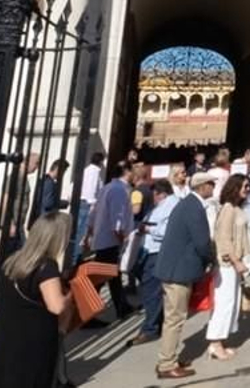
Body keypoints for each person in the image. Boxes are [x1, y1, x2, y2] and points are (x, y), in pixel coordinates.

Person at [0, 211, 73, 388]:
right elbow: (56, 307)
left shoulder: (13, 260)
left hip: (7, 335)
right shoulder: (47, 267)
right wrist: (71, 295)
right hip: (32, 340)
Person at [155, 170, 218, 380]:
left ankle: (168, 357)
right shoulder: (194, 207)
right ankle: (166, 364)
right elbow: (201, 241)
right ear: (203, 186)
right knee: (175, 318)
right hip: (178, 270)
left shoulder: (188, 204)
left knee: (173, 316)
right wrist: (211, 258)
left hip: (174, 268)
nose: (214, 186)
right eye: (211, 183)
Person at [207, 174, 250, 360]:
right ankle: (215, 343)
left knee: (231, 302)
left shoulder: (236, 208)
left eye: (249, 187)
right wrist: (236, 260)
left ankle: (220, 340)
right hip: (227, 263)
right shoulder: (228, 209)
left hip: (234, 262)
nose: (247, 190)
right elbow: (223, 238)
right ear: (235, 188)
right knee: (224, 303)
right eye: (244, 186)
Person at [88, 160, 135, 319]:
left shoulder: (107, 188)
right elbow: (117, 220)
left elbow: (94, 213)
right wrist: (122, 239)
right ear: (127, 171)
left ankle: (122, 307)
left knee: (112, 277)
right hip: (110, 241)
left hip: (102, 240)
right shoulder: (119, 190)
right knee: (100, 279)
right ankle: (86, 313)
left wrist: (90, 232)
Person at [133, 179, 175, 346]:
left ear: (160, 193)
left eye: (154, 195)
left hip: (157, 251)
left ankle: (149, 328)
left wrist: (148, 229)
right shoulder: (162, 206)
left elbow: (166, 230)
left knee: (151, 289)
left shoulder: (170, 206)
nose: (153, 198)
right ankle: (156, 321)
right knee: (151, 289)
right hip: (149, 250)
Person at [72, 151, 104, 261]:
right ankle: (74, 260)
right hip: (87, 205)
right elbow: (92, 190)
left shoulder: (85, 170)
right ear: (101, 161)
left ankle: (73, 257)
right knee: (82, 235)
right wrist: (93, 206)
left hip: (80, 202)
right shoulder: (95, 172)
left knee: (76, 232)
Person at [29, 158, 69, 228]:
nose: (63, 174)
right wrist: (65, 202)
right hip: (45, 219)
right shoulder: (49, 183)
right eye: (64, 171)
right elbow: (48, 203)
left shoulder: (45, 179)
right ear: (57, 169)